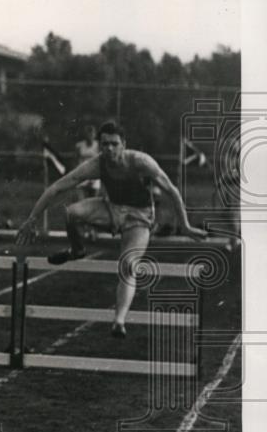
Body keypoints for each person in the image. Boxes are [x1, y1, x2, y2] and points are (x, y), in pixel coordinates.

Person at [16, 120, 207, 338]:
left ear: (123, 144)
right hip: (111, 208)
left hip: (139, 218)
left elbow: (171, 191)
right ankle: (77, 250)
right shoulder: (97, 164)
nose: (109, 149)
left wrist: (185, 225)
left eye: (114, 144)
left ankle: (119, 320)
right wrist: (32, 219)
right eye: (105, 144)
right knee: (71, 213)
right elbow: (58, 187)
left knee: (128, 265)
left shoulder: (140, 162)